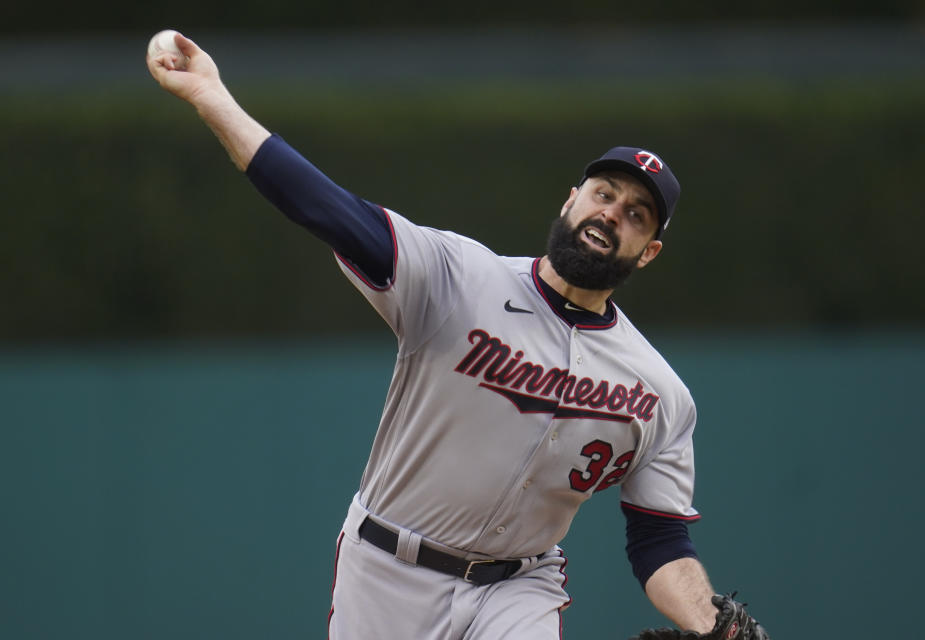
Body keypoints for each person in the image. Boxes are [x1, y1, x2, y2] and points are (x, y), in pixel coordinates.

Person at [147, 33, 761, 640]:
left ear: (648, 252)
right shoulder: (457, 276)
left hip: (519, 588)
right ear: (572, 199)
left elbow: (659, 540)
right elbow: (325, 207)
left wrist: (711, 623)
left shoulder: (660, 394)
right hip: (387, 569)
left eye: (636, 215)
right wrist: (212, 97)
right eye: (605, 194)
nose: (612, 214)